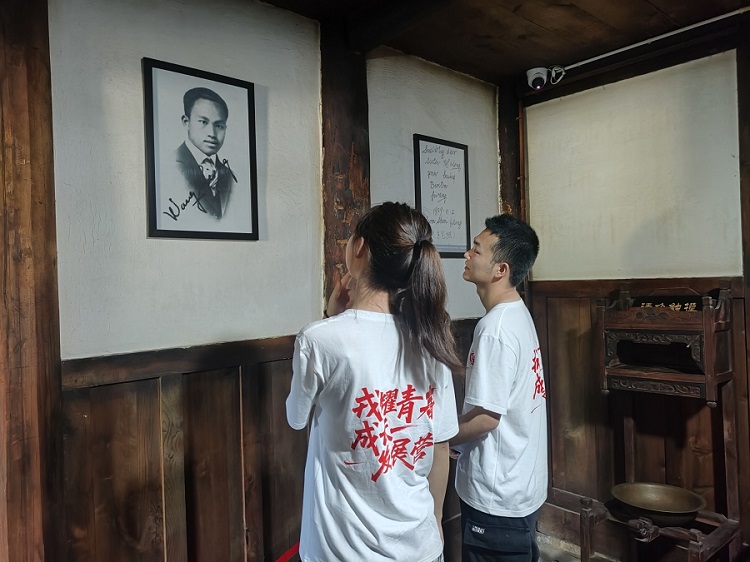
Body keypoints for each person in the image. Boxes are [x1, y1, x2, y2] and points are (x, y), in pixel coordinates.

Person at [286, 202, 463, 562]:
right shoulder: (431, 340)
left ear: (360, 248)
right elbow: (440, 446)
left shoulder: (320, 339)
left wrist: (331, 318)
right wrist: (437, 520)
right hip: (422, 544)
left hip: (341, 551)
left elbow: (296, 416)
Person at [450, 214, 547, 562]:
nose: (467, 254)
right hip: (520, 484)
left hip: (496, 496)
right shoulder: (516, 312)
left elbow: (486, 418)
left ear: (500, 270)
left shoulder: (495, 328)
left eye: (476, 249)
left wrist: (440, 438)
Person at [174, 87, 236, 220]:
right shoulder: (169, 165)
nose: (212, 134)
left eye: (219, 126)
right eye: (203, 122)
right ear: (186, 122)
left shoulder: (230, 175)